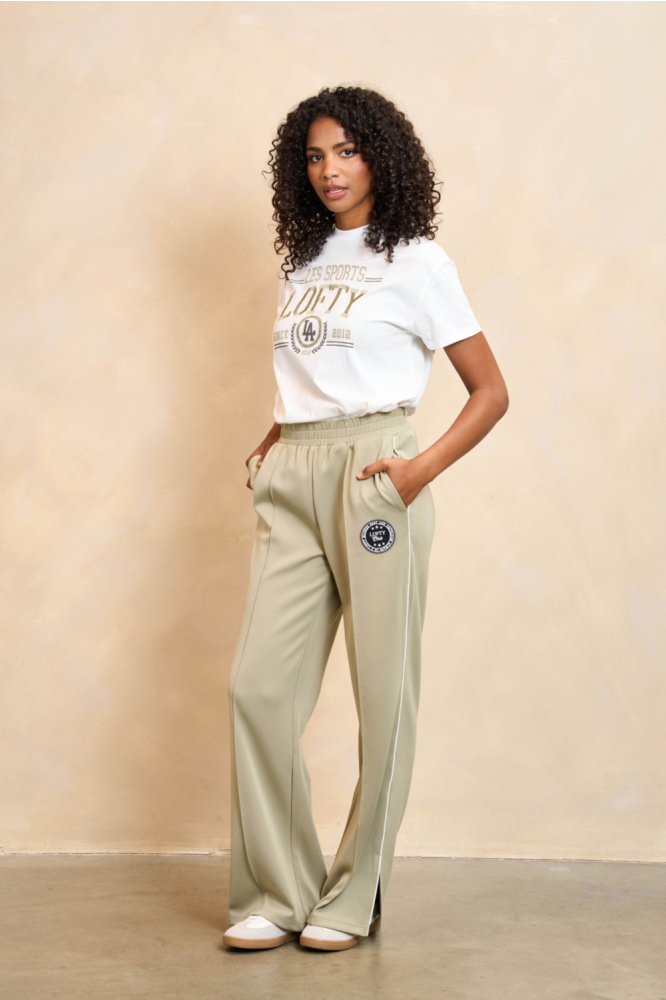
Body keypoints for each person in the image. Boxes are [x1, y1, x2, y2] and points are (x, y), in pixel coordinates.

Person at [222, 86, 508, 953]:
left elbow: (490, 392)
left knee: (383, 697)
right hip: (295, 476)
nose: (329, 170)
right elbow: (314, 374)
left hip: (376, 476)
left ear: (382, 155)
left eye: (345, 150)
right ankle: (278, 891)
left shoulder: (418, 260)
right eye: (314, 156)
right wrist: (279, 435)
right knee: (257, 689)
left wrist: (417, 470)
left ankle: (354, 895)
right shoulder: (304, 260)